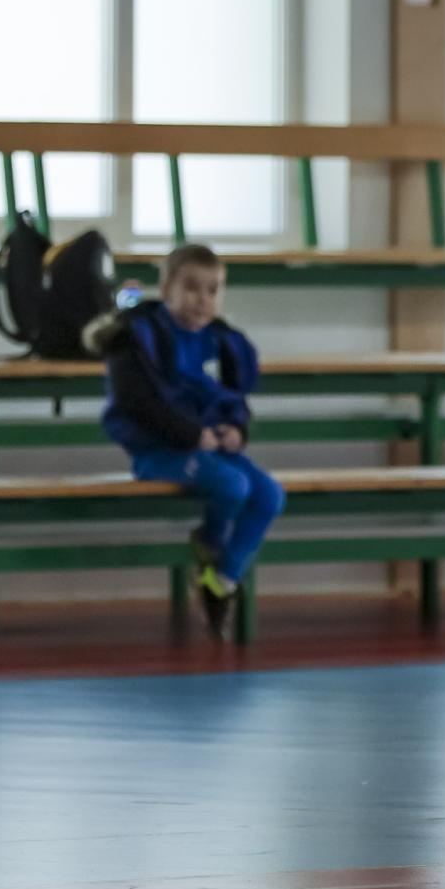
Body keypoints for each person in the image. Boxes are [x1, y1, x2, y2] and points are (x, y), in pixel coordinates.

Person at [89, 244, 284, 639]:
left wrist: (236, 430)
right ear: (166, 288)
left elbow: (233, 400)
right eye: (192, 288)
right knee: (233, 486)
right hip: (159, 453)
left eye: (213, 290)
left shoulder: (220, 340)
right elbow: (137, 403)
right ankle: (209, 544)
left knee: (270, 496)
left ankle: (220, 583)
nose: (203, 300)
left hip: (209, 450)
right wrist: (191, 435)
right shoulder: (138, 338)